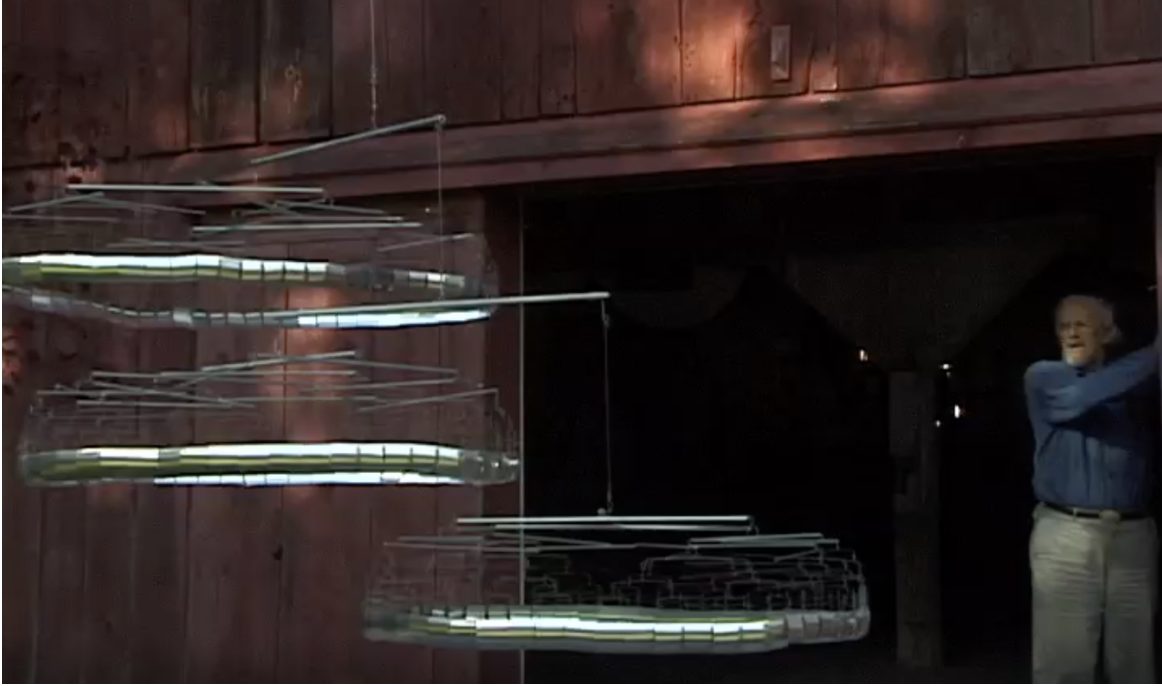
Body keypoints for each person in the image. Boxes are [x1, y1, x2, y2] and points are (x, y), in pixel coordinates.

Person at [1024, 294, 1159, 683]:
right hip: (1067, 533)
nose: (1070, 333)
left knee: (1135, 665)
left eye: (1081, 325)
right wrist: (1155, 354)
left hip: (1133, 535)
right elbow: (1081, 396)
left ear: (1108, 333)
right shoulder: (1043, 375)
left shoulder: (1135, 381)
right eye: (1064, 326)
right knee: (1064, 666)